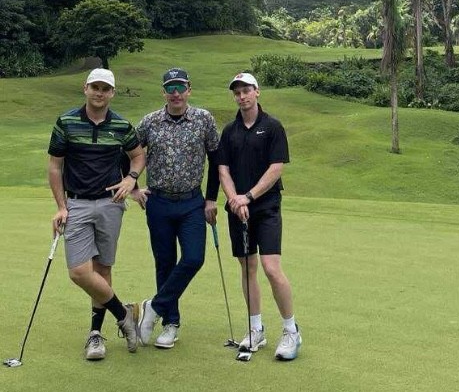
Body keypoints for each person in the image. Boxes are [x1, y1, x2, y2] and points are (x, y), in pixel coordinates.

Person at [48, 67, 145, 361]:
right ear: (85, 88)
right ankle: (123, 313)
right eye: (95, 87)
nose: (99, 93)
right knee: (79, 272)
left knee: (102, 269)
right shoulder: (66, 122)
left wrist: (131, 179)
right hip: (77, 204)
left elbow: (138, 155)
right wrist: (61, 206)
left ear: (112, 93)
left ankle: (95, 335)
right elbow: (55, 167)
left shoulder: (121, 125)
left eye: (105, 89)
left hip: (110, 203)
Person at [214, 72, 301, 361]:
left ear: (257, 92)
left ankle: (291, 330)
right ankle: (256, 329)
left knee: (271, 268)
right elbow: (223, 170)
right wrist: (234, 199)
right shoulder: (230, 131)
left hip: (266, 208)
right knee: (247, 267)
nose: (242, 96)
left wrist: (248, 197)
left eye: (246, 90)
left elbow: (276, 168)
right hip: (238, 209)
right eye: (237, 92)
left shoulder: (272, 126)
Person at [132, 68, 220, 349]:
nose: (176, 93)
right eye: (170, 88)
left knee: (194, 258)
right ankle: (171, 323)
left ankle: (154, 307)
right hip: (158, 202)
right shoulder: (150, 122)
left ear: (189, 89)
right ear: (163, 92)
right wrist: (133, 187)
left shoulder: (204, 119)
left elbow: (216, 160)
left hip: (192, 202)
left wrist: (211, 198)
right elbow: (128, 152)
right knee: (165, 262)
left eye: (180, 87)